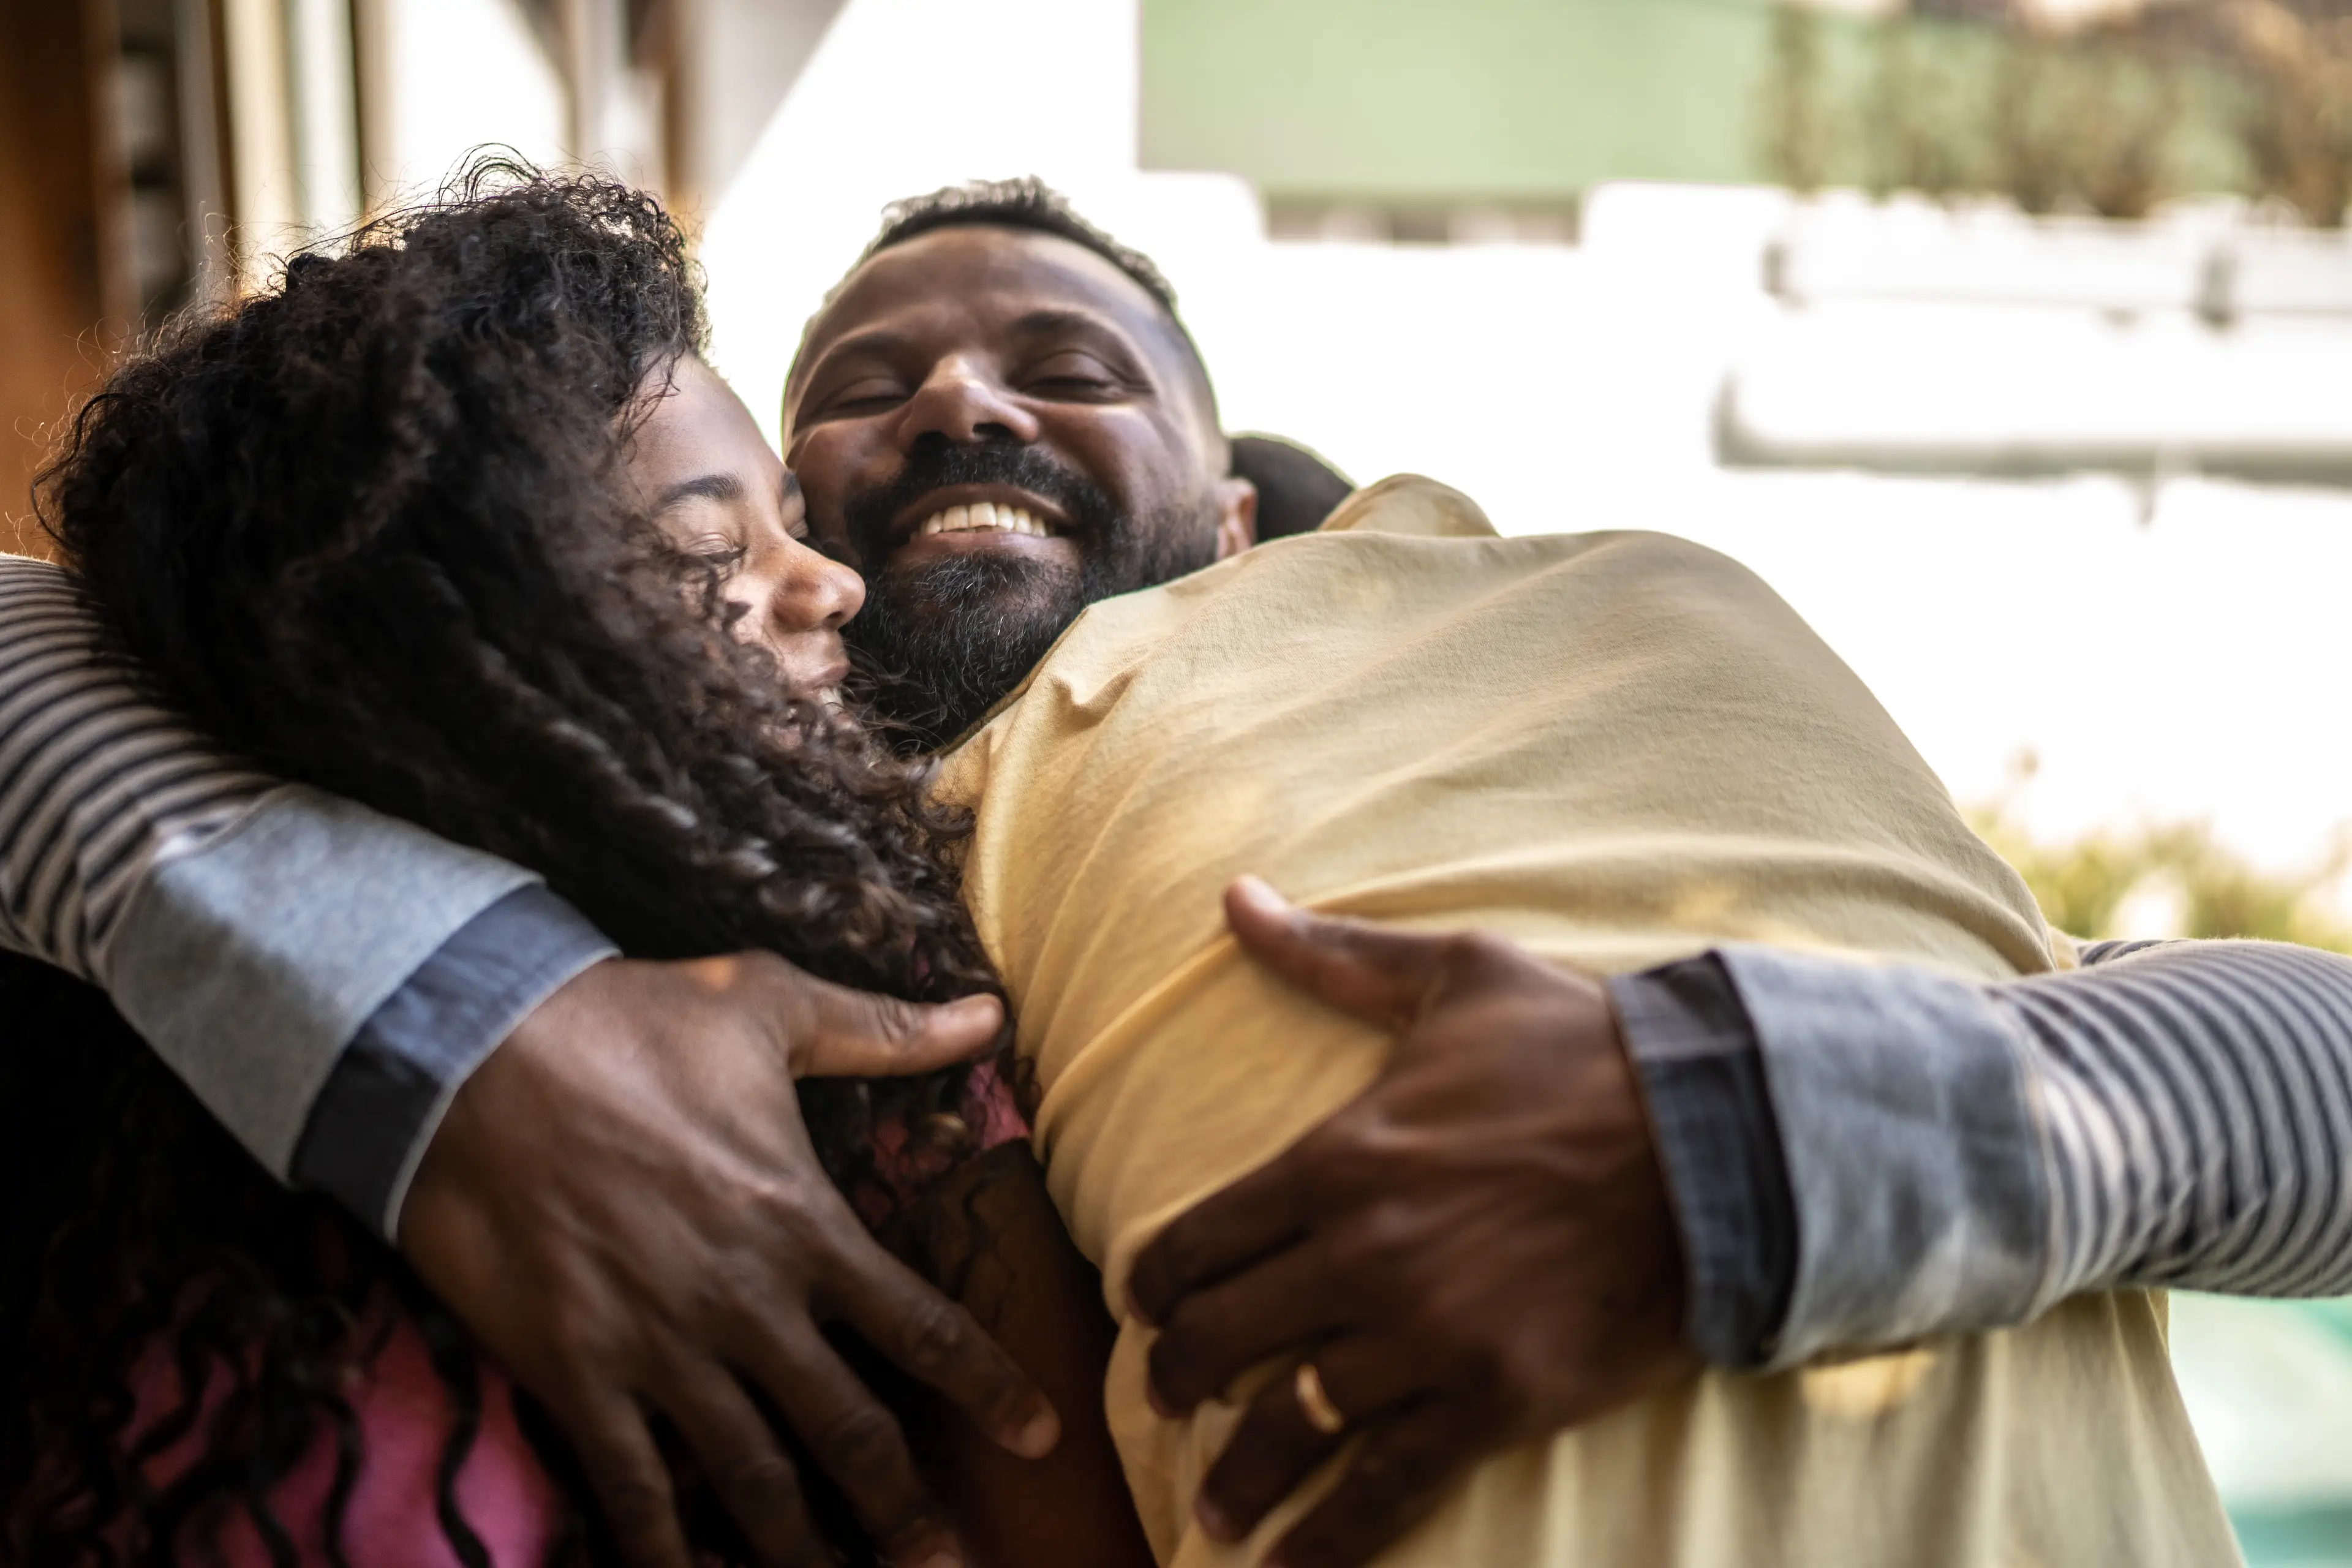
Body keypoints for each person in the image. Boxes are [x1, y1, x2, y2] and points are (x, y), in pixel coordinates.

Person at [3, 168, 2350, 1567]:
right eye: (860, 383)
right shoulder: (727, 897)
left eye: (1070, 359)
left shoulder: (1456, 669)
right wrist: (437, 1021)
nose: (957, 401)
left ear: (1242, 521)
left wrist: (1770, 1139)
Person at [4, 171, 1152, 1568]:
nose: (832, 580)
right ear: (480, 623)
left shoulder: (884, 1000)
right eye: (714, 547)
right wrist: (451, 1006)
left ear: (1235, 521)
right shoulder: (145, 1000)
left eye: (790, 523)